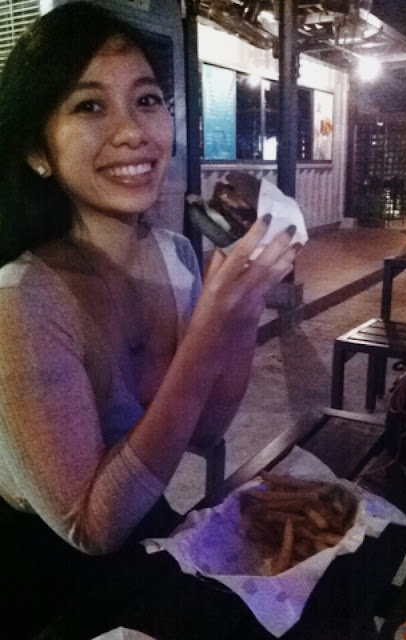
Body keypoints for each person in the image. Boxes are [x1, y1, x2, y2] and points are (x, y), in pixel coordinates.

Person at [0, 2, 297, 638]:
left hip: (144, 522)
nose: (133, 131)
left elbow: (205, 429)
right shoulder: (22, 300)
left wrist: (243, 306)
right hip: (38, 575)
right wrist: (209, 328)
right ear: (37, 150)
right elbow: (91, 528)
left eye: (147, 100)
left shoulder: (176, 255)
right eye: (90, 106)